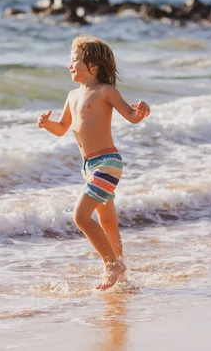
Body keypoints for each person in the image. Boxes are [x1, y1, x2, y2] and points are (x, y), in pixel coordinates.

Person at [37, 35, 150, 290]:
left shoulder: (105, 92)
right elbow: (62, 128)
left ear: (92, 66)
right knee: (108, 221)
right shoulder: (71, 95)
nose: (70, 65)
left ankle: (112, 264)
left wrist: (140, 112)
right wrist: (47, 125)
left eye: (74, 60)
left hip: (107, 163)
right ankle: (119, 270)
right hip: (88, 167)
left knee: (80, 216)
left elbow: (131, 116)